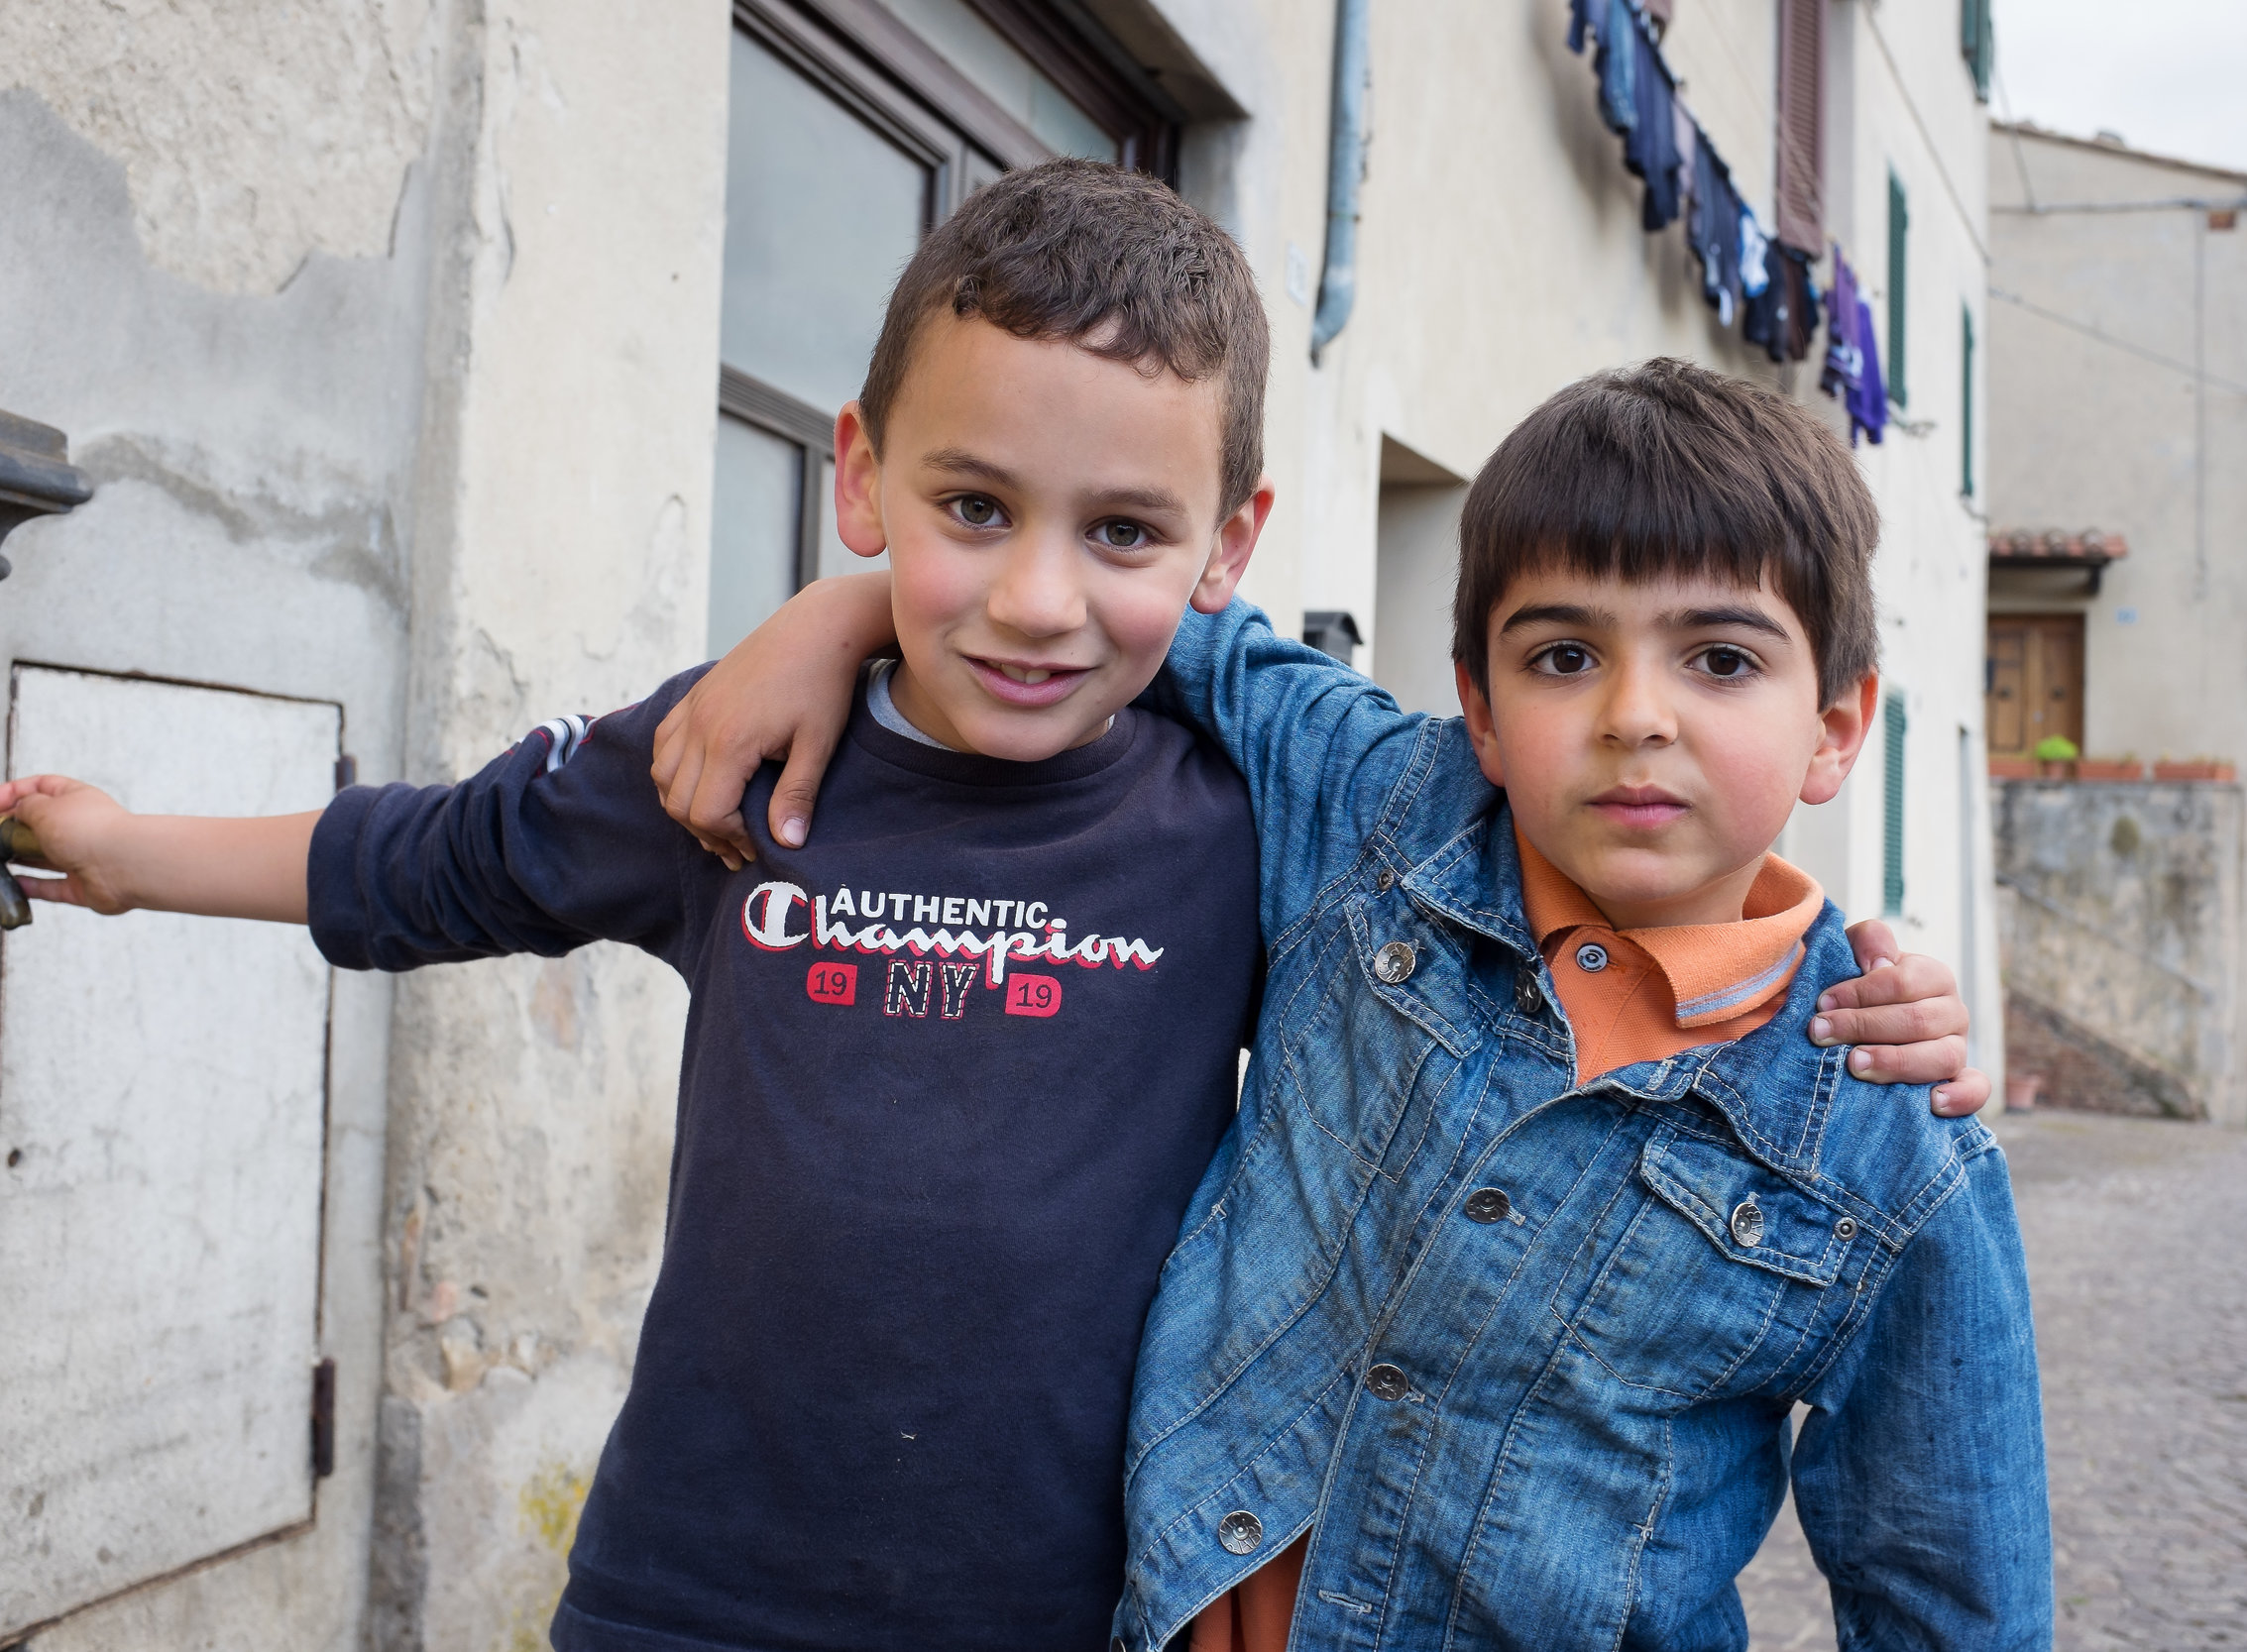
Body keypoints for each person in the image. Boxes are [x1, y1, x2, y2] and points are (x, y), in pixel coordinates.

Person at [0, 166, 1983, 1651]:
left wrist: (1876, 979)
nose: (1039, 596)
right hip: (686, 1596)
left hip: (1071, 1602)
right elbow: (433, 858)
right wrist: (129, 847)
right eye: (969, 510)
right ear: (857, 471)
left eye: (1120, 531)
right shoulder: (732, 765)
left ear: (1226, 548)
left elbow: (1610, 841)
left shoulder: (1254, 816)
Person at [663, 358, 2049, 1647]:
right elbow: (1156, 618)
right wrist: (841, 609)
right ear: (1483, 711)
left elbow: (1950, 1594)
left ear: (1838, 725)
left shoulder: (1894, 1142)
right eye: (1565, 655)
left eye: (1722, 659)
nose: (1638, 713)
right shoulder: (1385, 812)